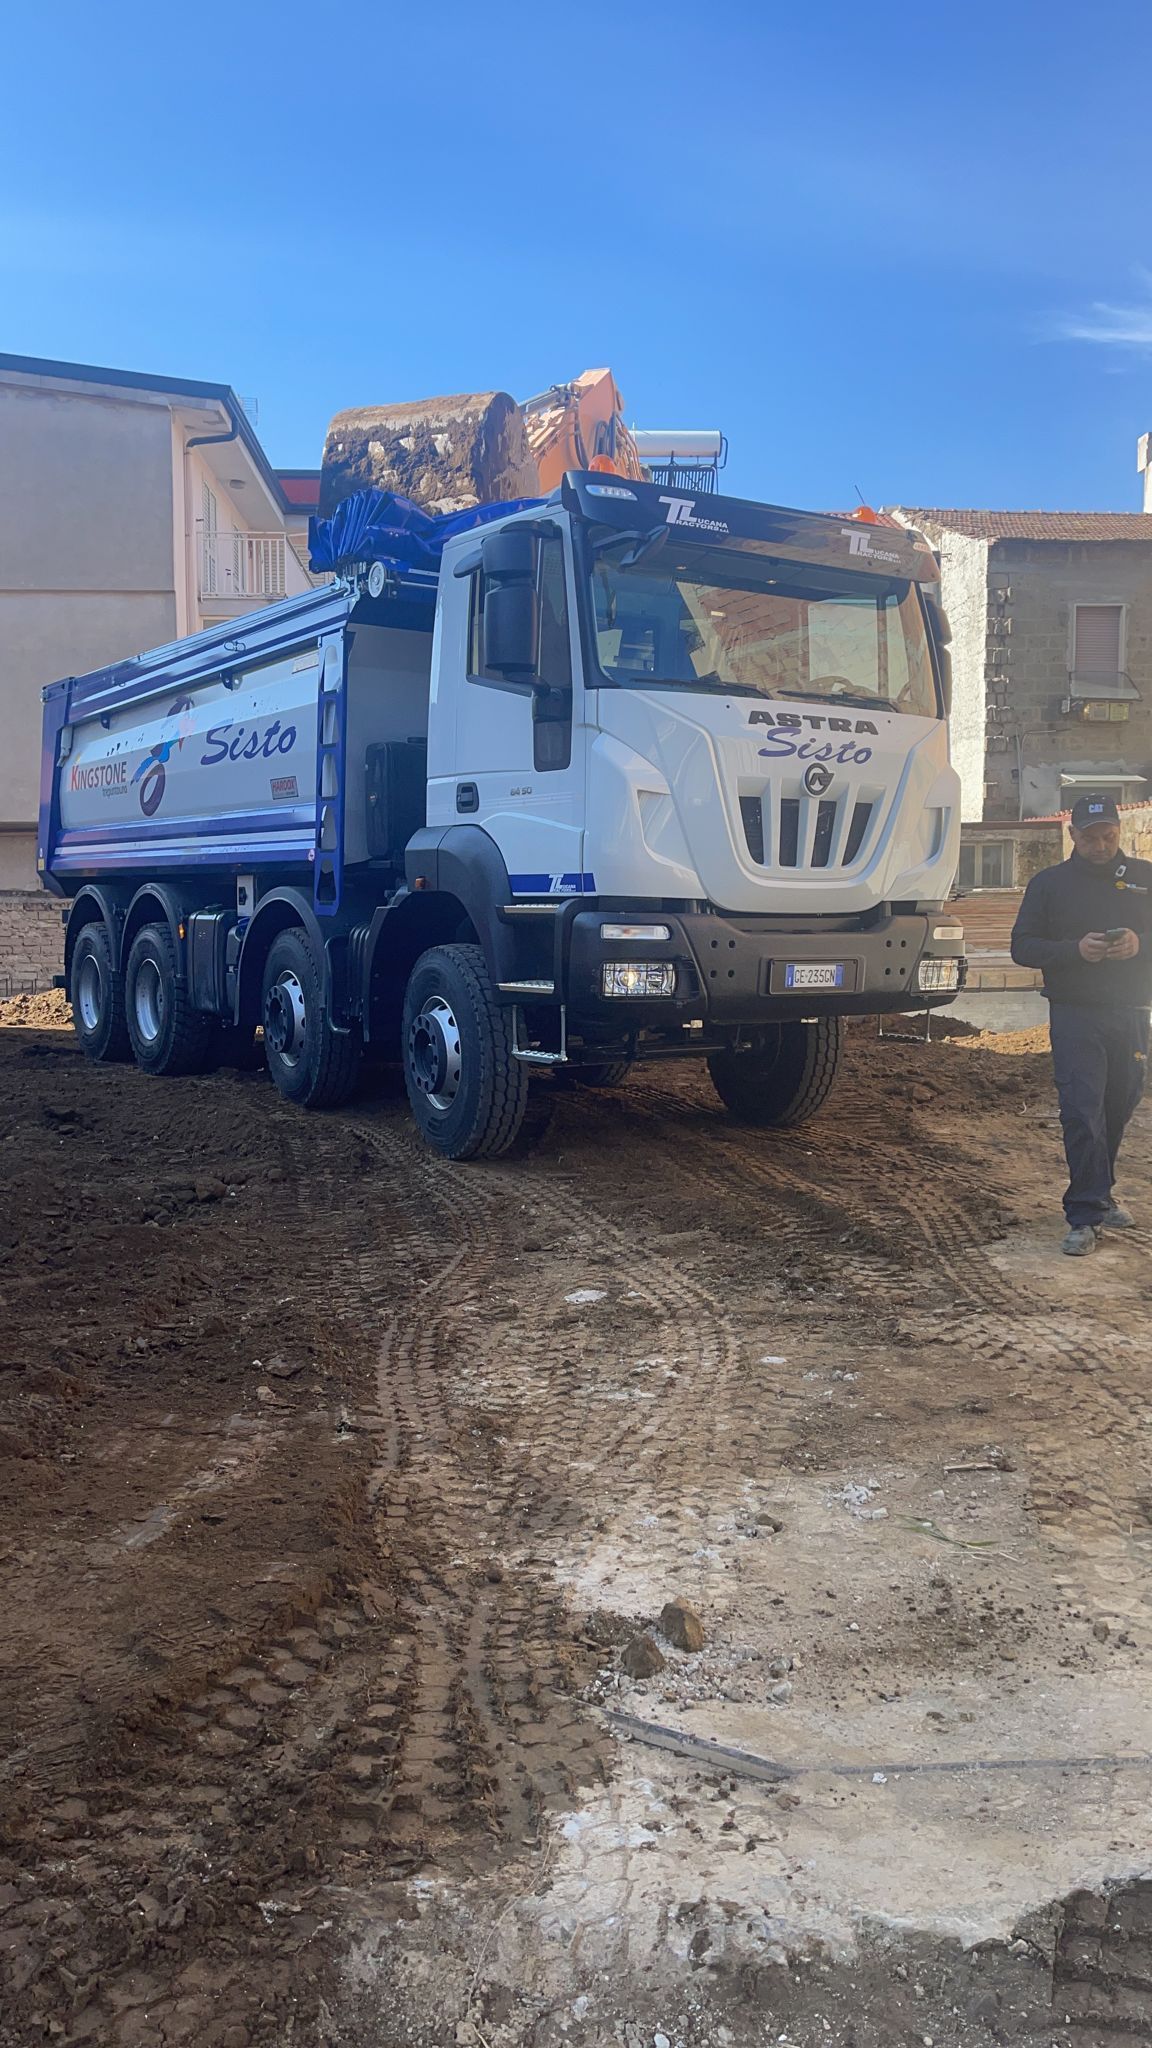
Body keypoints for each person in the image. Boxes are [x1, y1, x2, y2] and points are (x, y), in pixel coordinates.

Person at [1010, 795, 1152, 1253]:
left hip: (1131, 1010)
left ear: (1119, 831)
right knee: (1081, 1109)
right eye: (1090, 837)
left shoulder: (1144, 878)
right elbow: (1023, 947)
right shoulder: (1049, 884)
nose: (1101, 844)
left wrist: (1139, 941)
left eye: (1109, 836)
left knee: (1118, 1105)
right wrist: (1074, 950)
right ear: (1072, 835)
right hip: (1075, 1012)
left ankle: (1101, 1192)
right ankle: (1085, 1214)